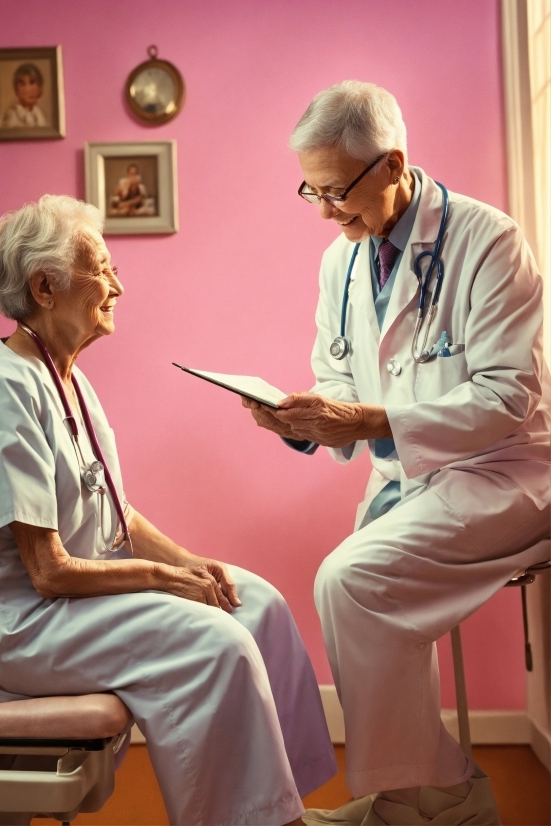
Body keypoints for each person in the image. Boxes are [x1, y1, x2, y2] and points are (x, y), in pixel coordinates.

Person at [242, 81, 550, 826]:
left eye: (335, 190)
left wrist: (368, 417)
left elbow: (509, 395)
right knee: (350, 594)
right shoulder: (340, 261)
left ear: (391, 165)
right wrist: (303, 418)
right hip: (409, 477)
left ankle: (431, 798)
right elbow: (340, 375)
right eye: (309, 191)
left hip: (501, 471)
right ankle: (422, 800)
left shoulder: (488, 241)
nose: (322, 211)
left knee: (350, 579)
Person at [0, 195, 336, 826]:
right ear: (44, 286)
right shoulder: (5, 392)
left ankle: (285, 805)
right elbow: (48, 570)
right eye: (100, 267)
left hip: (77, 599)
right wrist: (162, 579)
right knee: (217, 644)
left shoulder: (66, 374)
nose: (118, 284)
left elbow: (116, 512)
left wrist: (191, 564)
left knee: (253, 602)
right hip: (28, 620)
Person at [2, 63, 47, 128]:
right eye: (22, 84)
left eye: (32, 83)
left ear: (40, 87)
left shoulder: (39, 113)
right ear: (16, 90)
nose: (28, 90)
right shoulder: (12, 115)